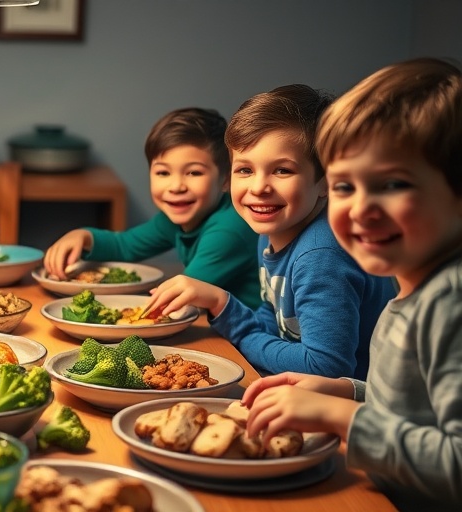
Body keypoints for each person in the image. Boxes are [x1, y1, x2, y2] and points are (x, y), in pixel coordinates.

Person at [242, 58, 462, 511]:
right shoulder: (412, 290)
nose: (362, 208)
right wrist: (346, 390)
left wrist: (343, 416)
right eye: (345, 186)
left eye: (393, 183)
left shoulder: (449, 303)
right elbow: (413, 415)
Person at [142, 85, 396, 380]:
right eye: (245, 170)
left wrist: (234, 319)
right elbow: (274, 316)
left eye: (282, 170)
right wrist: (223, 306)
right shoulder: (272, 229)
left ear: (327, 181)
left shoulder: (321, 256)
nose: (259, 188)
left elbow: (327, 368)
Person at [43, 107, 261, 308]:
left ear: (225, 180)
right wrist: (83, 236)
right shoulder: (173, 220)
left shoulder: (228, 230)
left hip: (246, 338)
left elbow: (179, 295)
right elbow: (125, 246)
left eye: (194, 172)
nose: (176, 186)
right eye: (163, 173)